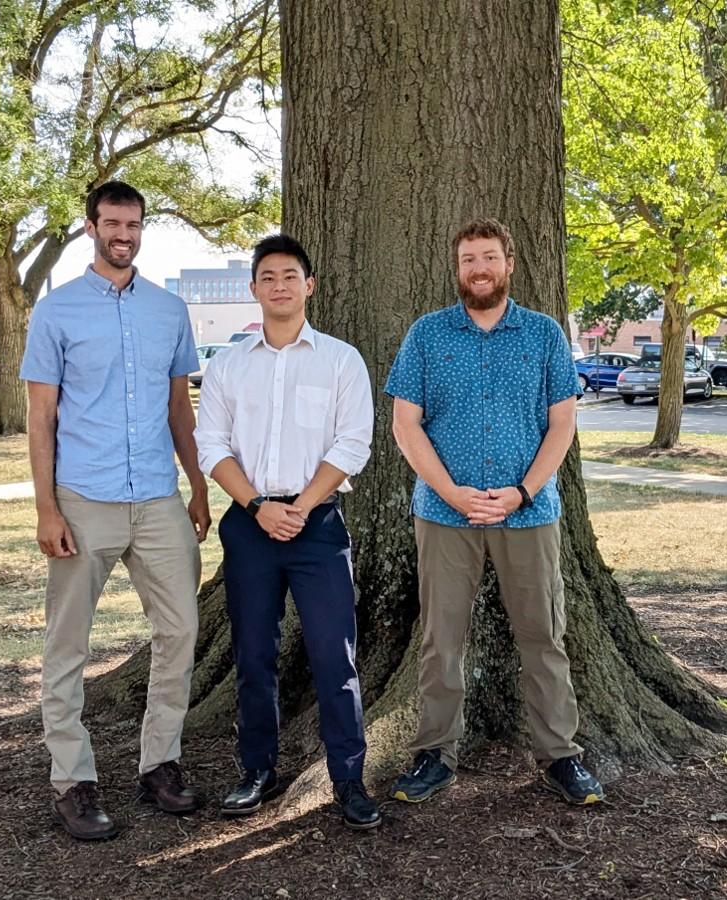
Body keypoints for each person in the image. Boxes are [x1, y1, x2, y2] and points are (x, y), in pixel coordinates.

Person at [383, 217, 606, 807]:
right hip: (444, 513)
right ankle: (435, 754)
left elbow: (563, 424)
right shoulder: (427, 336)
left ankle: (561, 756)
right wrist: (452, 492)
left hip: (527, 515)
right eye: (467, 260)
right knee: (440, 639)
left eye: (488, 257)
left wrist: (524, 491)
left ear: (509, 263)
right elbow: (405, 425)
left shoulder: (544, 335)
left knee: (543, 636)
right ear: (457, 270)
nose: (477, 269)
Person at [22, 180, 212, 841]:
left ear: (141, 228)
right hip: (84, 499)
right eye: (111, 223)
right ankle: (72, 780)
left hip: (158, 497)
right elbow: (40, 418)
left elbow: (179, 410)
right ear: (91, 226)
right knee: (66, 645)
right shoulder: (56, 312)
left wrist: (198, 486)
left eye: (132, 223)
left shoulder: (168, 311)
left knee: (182, 631)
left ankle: (159, 763)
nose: (122, 233)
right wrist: (47, 510)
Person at [193, 234, 381, 830]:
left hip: (317, 523)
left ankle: (348, 778)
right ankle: (257, 771)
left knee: (335, 656)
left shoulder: (340, 360)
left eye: (290, 275)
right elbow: (210, 445)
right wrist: (257, 507)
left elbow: (353, 443)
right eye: (267, 276)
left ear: (310, 285)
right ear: (254, 288)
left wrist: (299, 506)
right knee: (254, 654)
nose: (279, 285)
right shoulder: (227, 364)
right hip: (250, 525)